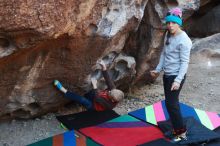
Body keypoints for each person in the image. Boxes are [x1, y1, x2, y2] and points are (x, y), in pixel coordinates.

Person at [150, 7, 192, 143]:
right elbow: (164, 54)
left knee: (172, 105)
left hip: (176, 77)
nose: (170, 25)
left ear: (179, 23)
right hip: (167, 75)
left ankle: (181, 133)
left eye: (173, 23)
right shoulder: (168, 35)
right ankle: (176, 128)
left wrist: (178, 81)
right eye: (168, 23)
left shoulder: (184, 40)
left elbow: (185, 63)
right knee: (170, 104)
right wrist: (157, 69)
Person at [53, 60, 124, 111]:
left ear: (112, 100)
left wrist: (95, 85)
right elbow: (108, 80)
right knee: (89, 92)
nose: (109, 91)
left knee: (83, 100)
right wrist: (104, 67)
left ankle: (63, 90)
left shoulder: (109, 105)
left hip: (94, 106)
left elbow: (97, 98)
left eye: (109, 93)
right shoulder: (113, 90)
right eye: (110, 91)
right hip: (96, 97)